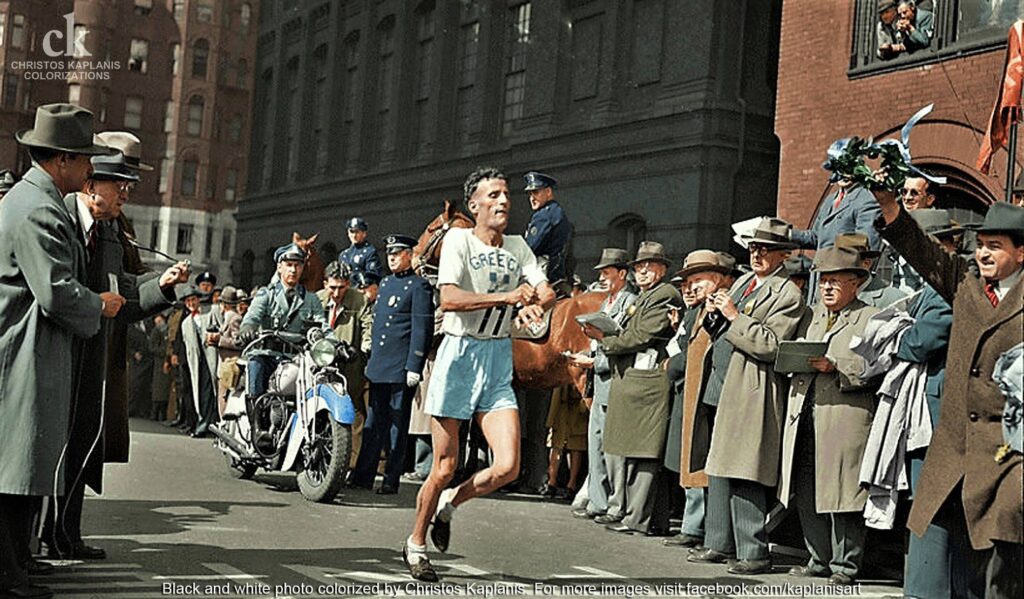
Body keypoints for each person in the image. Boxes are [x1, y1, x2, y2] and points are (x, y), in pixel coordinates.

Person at [402, 166, 554, 581]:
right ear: (474, 205)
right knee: (444, 466)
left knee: (508, 467)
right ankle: (416, 543)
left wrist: (536, 303)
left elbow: (545, 290)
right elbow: (449, 299)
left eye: (506, 195)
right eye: (493, 195)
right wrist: (508, 297)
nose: (503, 201)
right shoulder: (458, 240)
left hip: (497, 357)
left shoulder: (519, 246)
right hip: (459, 355)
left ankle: (451, 503)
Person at [872, 190, 1023, 598]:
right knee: (944, 551)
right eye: (981, 245)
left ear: (1021, 253)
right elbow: (921, 250)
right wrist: (889, 206)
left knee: (999, 568)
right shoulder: (965, 285)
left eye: (995, 246)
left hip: (1007, 456)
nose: (984, 254)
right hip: (954, 449)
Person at [41, 139, 187, 560]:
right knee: (51, 449)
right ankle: (38, 540)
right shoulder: (60, 220)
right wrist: (98, 304)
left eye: (128, 186)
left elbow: (118, 288)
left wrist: (161, 286)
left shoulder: (107, 230)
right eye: (119, 185)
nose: (125, 194)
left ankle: (64, 534)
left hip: (94, 354)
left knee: (83, 441)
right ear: (90, 184)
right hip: (60, 354)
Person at [0, 103, 119, 599]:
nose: (90, 169)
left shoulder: (35, 200)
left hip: (32, 349)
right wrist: (99, 304)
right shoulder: (39, 208)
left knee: (26, 463)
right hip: (24, 351)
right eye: (85, 158)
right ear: (63, 159)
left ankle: (18, 560)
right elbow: (55, 291)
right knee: (15, 465)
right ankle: (8, 574)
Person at [697, 217, 805, 575]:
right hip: (725, 382)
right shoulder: (744, 282)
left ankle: (753, 551)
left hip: (753, 387)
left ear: (783, 255)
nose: (757, 255)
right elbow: (722, 330)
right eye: (754, 248)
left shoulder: (788, 293)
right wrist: (713, 315)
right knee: (719, 466)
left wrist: (733, 315)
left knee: (745, 468)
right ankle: (718, 542)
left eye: (766, 250)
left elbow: (771, 345)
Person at [779, 246, 881, 586]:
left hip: (845, 417)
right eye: (823, 281)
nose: (827, 288)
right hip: (806, 414)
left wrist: (837, 366)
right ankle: (818, 558)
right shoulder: (812, 316)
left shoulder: (870, 317)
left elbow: (878, 366)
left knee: (844, 494)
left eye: (835, 281)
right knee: (807, 489)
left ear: (856, 283)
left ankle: (845, 565)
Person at [583, 241, 680, 536]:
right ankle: (643, 518)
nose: (643, 271)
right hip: (635, 381)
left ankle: (637, 518)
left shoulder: (664, 294)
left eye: (650, 266)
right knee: (635, 452)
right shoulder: (647, 295)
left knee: (643, 453)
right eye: (639, 266)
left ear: (663, 269)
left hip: (647, 382)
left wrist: (605, 339)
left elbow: (640, 335)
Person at [348, 235, 433, 494]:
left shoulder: (419, 286)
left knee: (397, 425)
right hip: (380, 365)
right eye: (390, 254)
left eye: (397, 253)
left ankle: (390, 479)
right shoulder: (385, 283)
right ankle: (363, 475)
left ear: (409, 255)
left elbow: (422, 329)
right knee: (373, 423)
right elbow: (379, 325)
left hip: (400, 367)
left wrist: (414, 365)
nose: (392, 258)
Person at [566, 248, 636, 521]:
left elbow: (624, 344)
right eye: (601, 273)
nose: (603, 278)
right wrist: (586, 354)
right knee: (595, 442)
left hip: (614, 378)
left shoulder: (630, 303)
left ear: (622, 274)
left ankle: (615, 504)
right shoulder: (607, 303)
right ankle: (597, 501)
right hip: (599, 380)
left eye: (607, 273)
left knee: (612, 447)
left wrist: (595, 362)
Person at [676, 250, 738, 552]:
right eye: (689, 280)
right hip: (697, 392)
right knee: (699, 459)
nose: (692, 286)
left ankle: (711, 534)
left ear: (717, 279)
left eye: (698, 279)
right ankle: (703, 530)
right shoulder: (701, 309)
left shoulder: (724, 305)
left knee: (711, 464)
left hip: (714, 393)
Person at [239, 243, 325, 401]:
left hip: (296, 359)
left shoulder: (311, 299)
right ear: (279, 267)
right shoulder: (266, 294)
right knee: (255, 367)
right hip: (267, 356)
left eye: (298, 265)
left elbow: (323, 327)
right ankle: (255, 414)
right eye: (289, 265)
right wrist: (248, 328)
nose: (293, 270)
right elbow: (252, 316)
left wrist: (335, 345)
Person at [319, 261, 373, 464]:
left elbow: (368, 324)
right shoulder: (317, 299)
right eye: (332, 287)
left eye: (342, 287)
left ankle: (351, 464)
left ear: (348, 284)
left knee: (353, 411)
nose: (336, 293)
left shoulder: (359, 300)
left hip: (349, 363)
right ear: (325, 283)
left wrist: (366, 345)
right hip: (321, 361)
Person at [523, 171, 572, 290]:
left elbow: (529, 249)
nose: (532, 198)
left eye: (536, 192)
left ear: (548, 192)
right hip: (559, 273)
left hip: (544, 273)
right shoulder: (557, 211)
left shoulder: (544, 215)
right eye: (530, 194)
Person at [834, 232, 906, 308]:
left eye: (845, 263)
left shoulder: (895, 300)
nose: (837, 270)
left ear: (866, 264)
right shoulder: (828, 295)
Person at [149, 313, 172, 421]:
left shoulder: (167, 330)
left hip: (167, 361)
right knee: (158, 389)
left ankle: (163, 414)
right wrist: (164, 351)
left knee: (165, 389)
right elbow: (152, 347)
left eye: (160, 321)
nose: (160, 323)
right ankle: (155, 413)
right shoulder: (156, 331)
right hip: (159, 362)